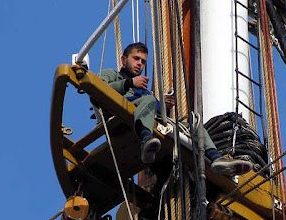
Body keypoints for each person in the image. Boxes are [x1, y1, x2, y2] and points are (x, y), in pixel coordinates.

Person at [100, 42, 253, 176]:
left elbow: (153, 111)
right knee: (148, 99)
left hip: (145, 122)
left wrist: (162, 105)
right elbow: (99, 87)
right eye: (136, 59)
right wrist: (129, 84)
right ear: (123, 59)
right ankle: (146, 139)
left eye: (143, 61)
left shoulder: (145, 92)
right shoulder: (112, 74)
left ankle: (216, 159)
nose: (139, 63)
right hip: (120, 121)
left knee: (193, 124)